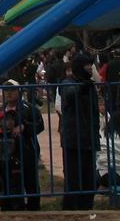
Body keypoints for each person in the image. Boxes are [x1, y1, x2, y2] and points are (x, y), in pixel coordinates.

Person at [0, 79, 44, 211]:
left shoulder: (28, 108)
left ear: (19, 91)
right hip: (7, 155)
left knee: (30, 181)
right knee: (8, 182)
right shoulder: (1, 109)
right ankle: (9, 206)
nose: (8, 93)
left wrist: (24, 127)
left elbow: (40, 125)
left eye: (12, 90)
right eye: (6, 90)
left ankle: (33, 208)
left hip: (27, 152)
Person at [59, 53, 100, 210]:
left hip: (89, 139)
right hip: (73, 141)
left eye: (91, 65)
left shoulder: (90, 85)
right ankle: (70, 211)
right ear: (79, 67)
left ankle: (86, 209)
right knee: (73, 180)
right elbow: (69, 94)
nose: (90, 68)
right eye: (87, 65)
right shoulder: (68, 82)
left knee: (90, 180)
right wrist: (82, 86)